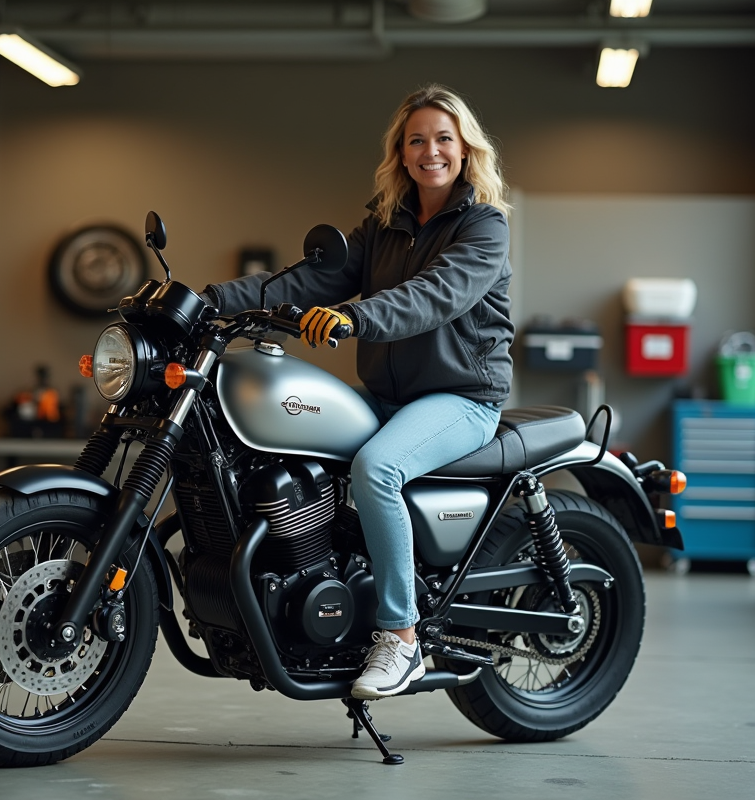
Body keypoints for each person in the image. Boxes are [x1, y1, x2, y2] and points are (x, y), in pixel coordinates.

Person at [203, 84, 513, 699]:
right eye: (416, 140)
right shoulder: (384, 224)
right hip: (388, 395)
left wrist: (354, 318)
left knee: (377, 468)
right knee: (293, 436)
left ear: (465, 149)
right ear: (401, 153)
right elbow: (308, 281)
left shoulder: (484, 226)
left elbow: (436, 294)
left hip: (462, 397)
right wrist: (205, 301)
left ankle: (401, 638)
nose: (430, 151)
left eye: (443, 139)